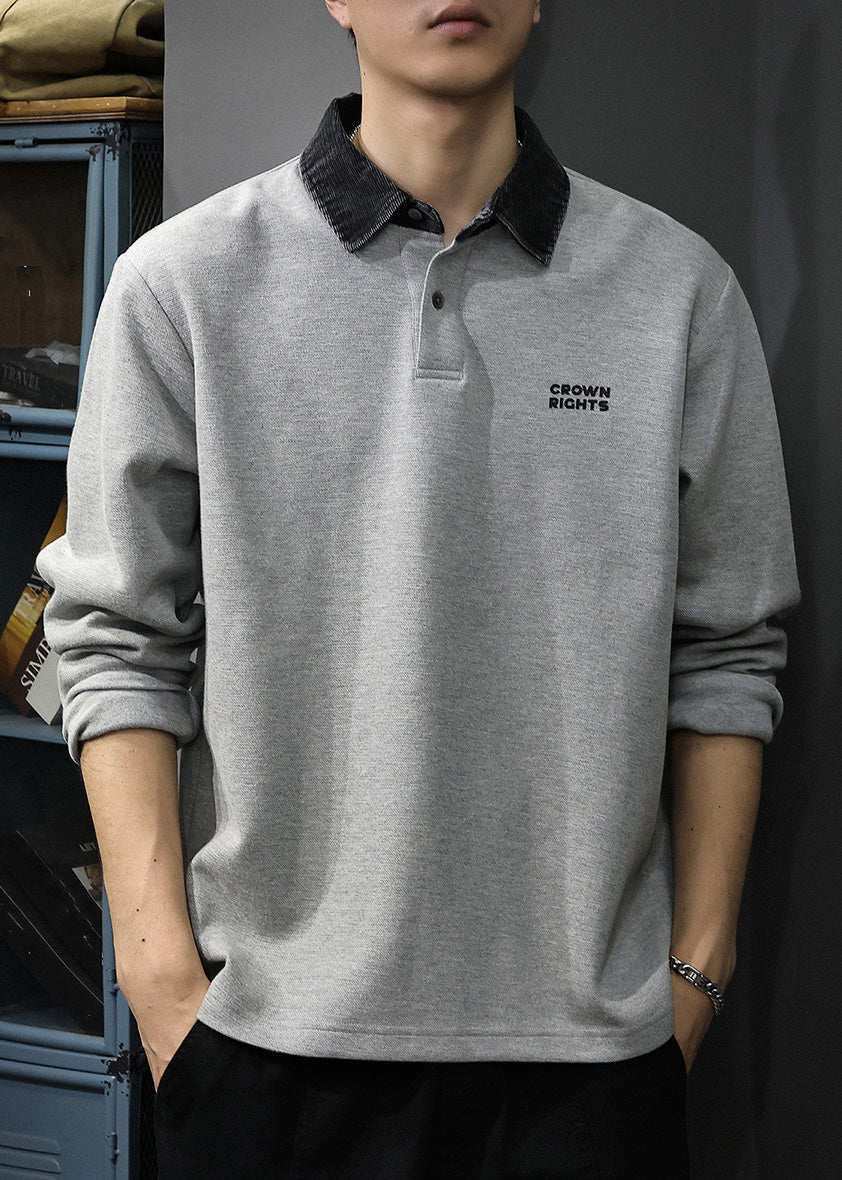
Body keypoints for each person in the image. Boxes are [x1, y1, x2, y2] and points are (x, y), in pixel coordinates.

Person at [37, 1, 800, 1176]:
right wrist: (159, 983)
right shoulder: (181, 285)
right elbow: (114, 639)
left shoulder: (676, 291)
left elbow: (727, 648)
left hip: (592, 1071)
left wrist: (696, 968)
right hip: (265, 1056)